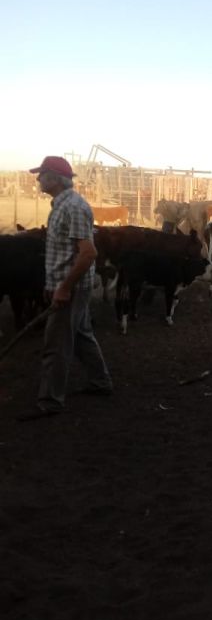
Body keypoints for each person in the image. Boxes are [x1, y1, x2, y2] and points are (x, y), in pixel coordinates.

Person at [17, 156, 113, 421]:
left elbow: (88, 253)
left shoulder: (74, 207)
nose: (38, 179)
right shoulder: (61, 205)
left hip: (72, 287)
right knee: (81, 334)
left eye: (42, 173)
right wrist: (55, 285)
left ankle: (50, 401)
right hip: (66, 284)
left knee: (56, 344)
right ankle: (100, 382)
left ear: (55, 178)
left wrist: (64, 288)